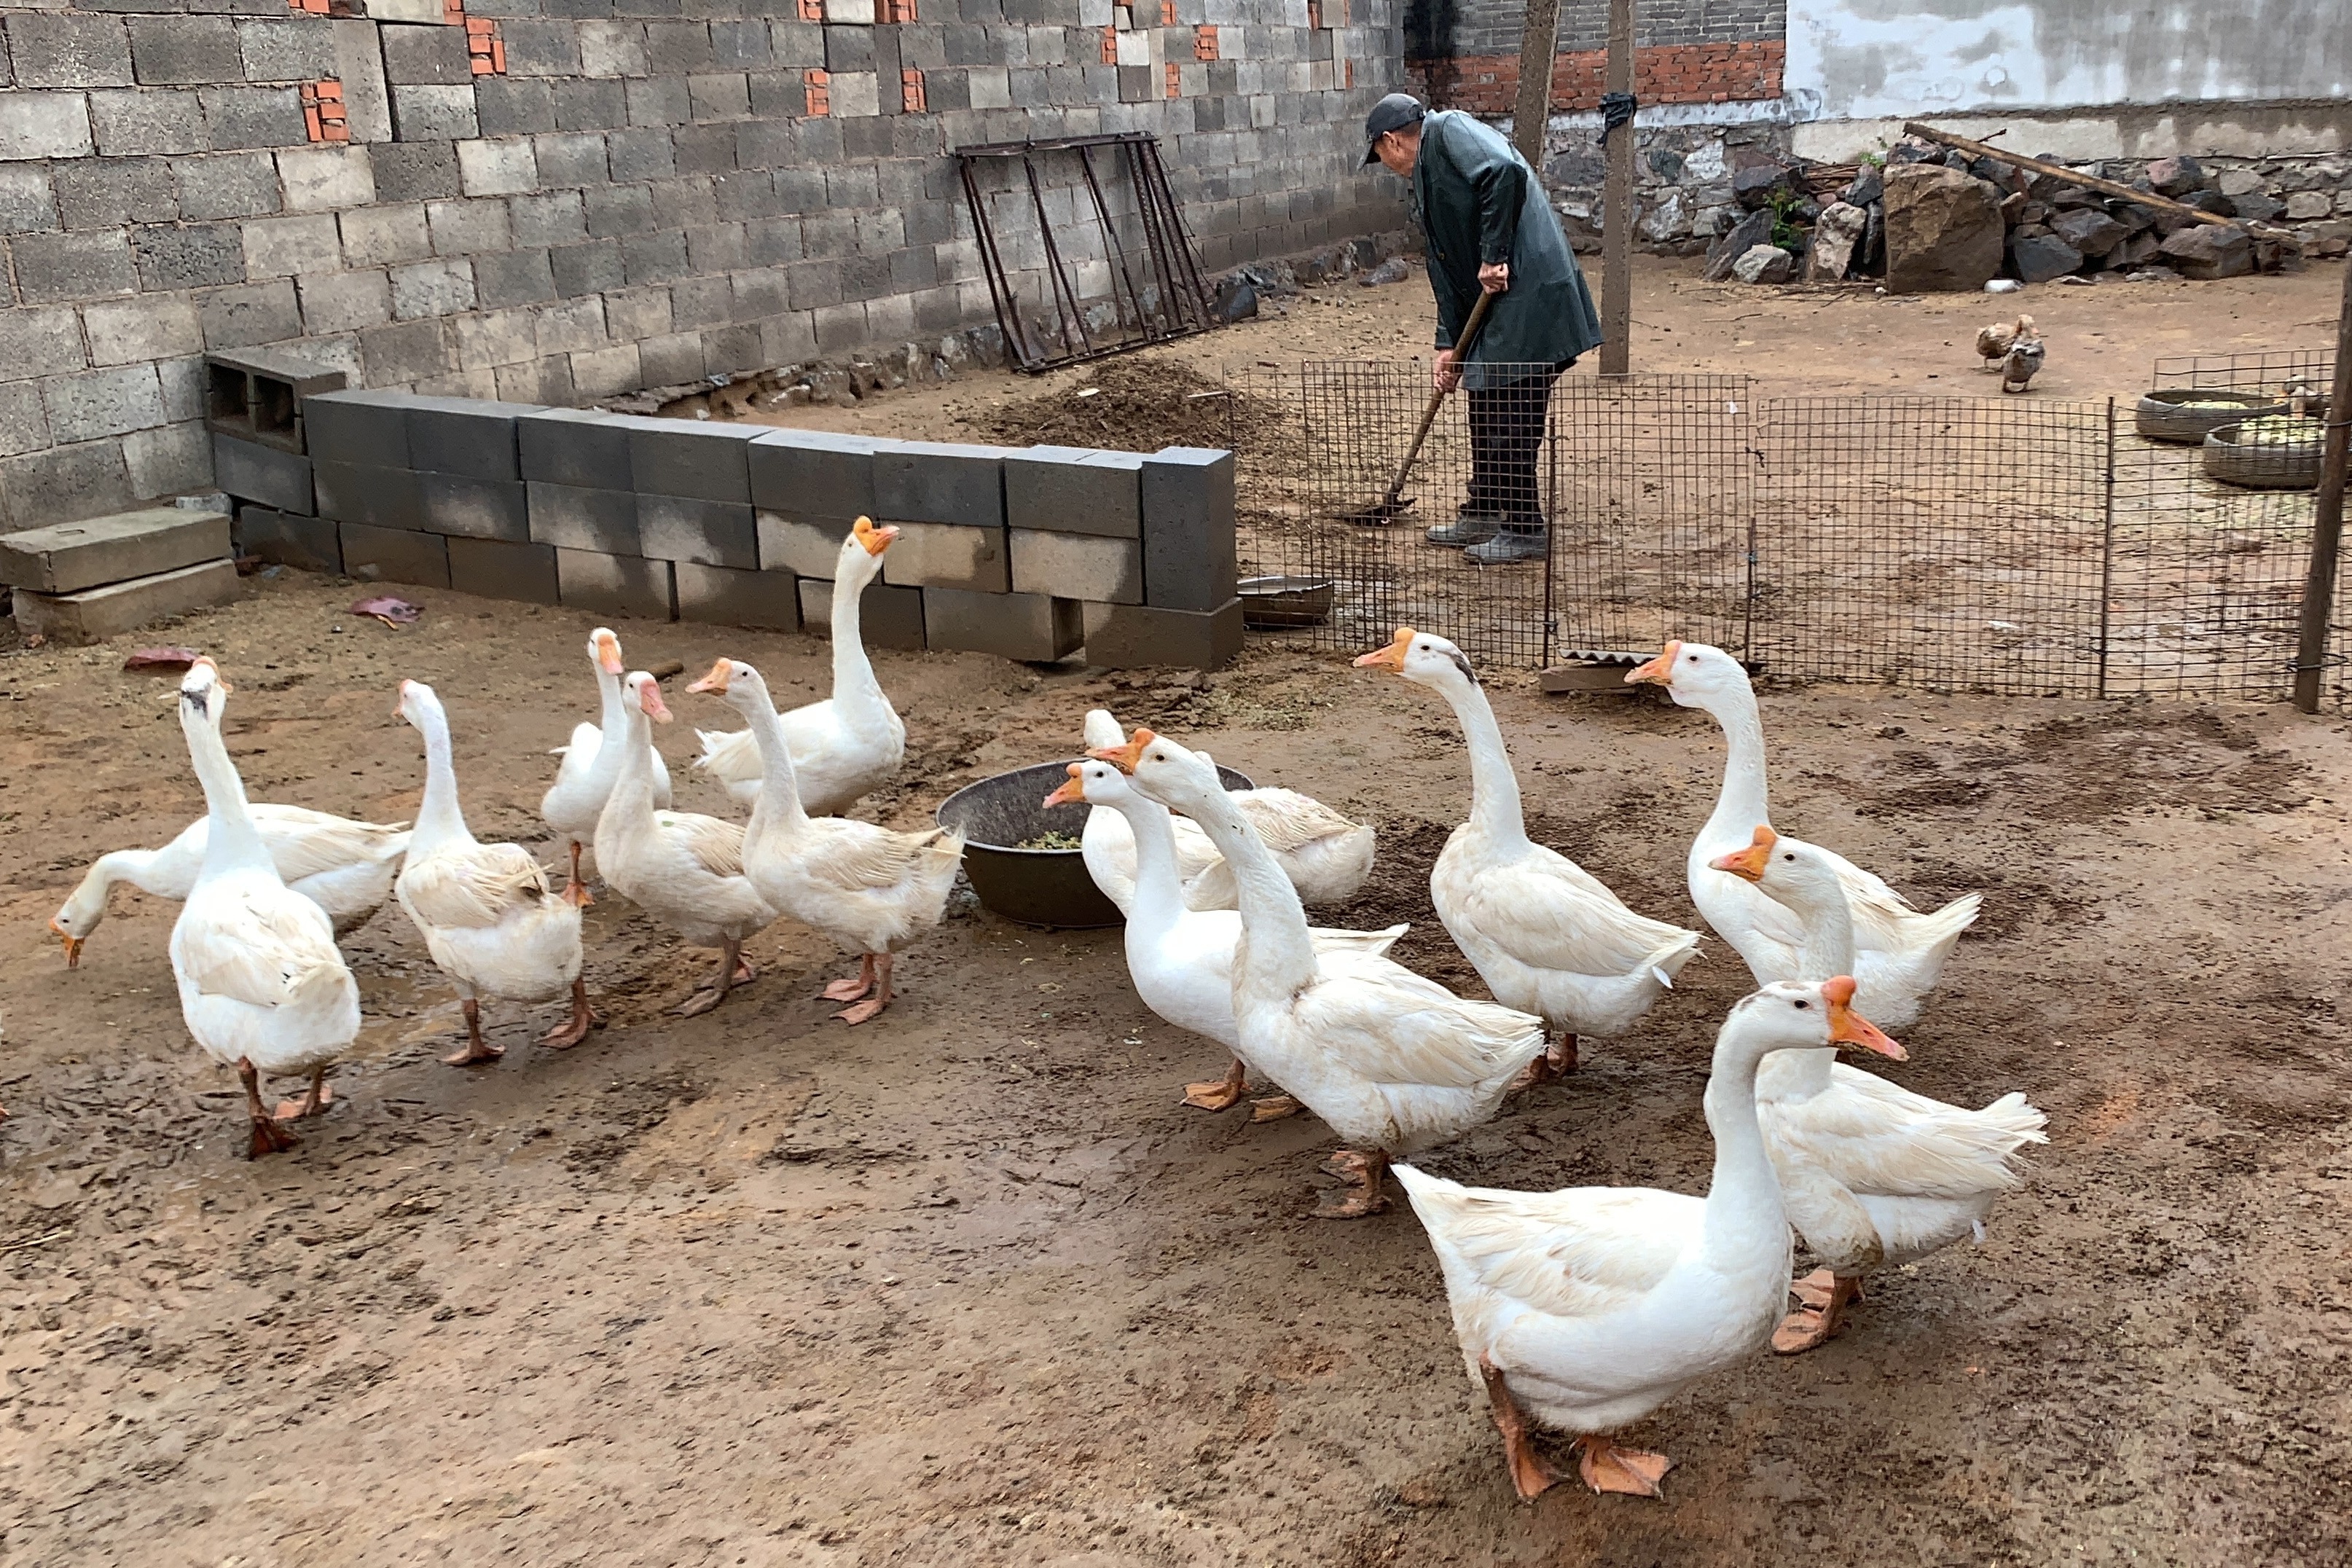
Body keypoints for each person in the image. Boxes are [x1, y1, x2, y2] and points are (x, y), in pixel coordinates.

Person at [1363, 93, 1603, 565]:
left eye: (1380, 159)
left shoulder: (1449, 129)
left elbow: (1503, 173)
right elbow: (1446, 267)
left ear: (1391, 142)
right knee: (1485, 397)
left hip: (1530, 296)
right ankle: (1484, 510)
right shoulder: (1428, 179)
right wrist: (1449, 345)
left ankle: (1523, 528)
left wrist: (1494, 255)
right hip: (1500, 306)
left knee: (1510, 411)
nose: (1387, 167)